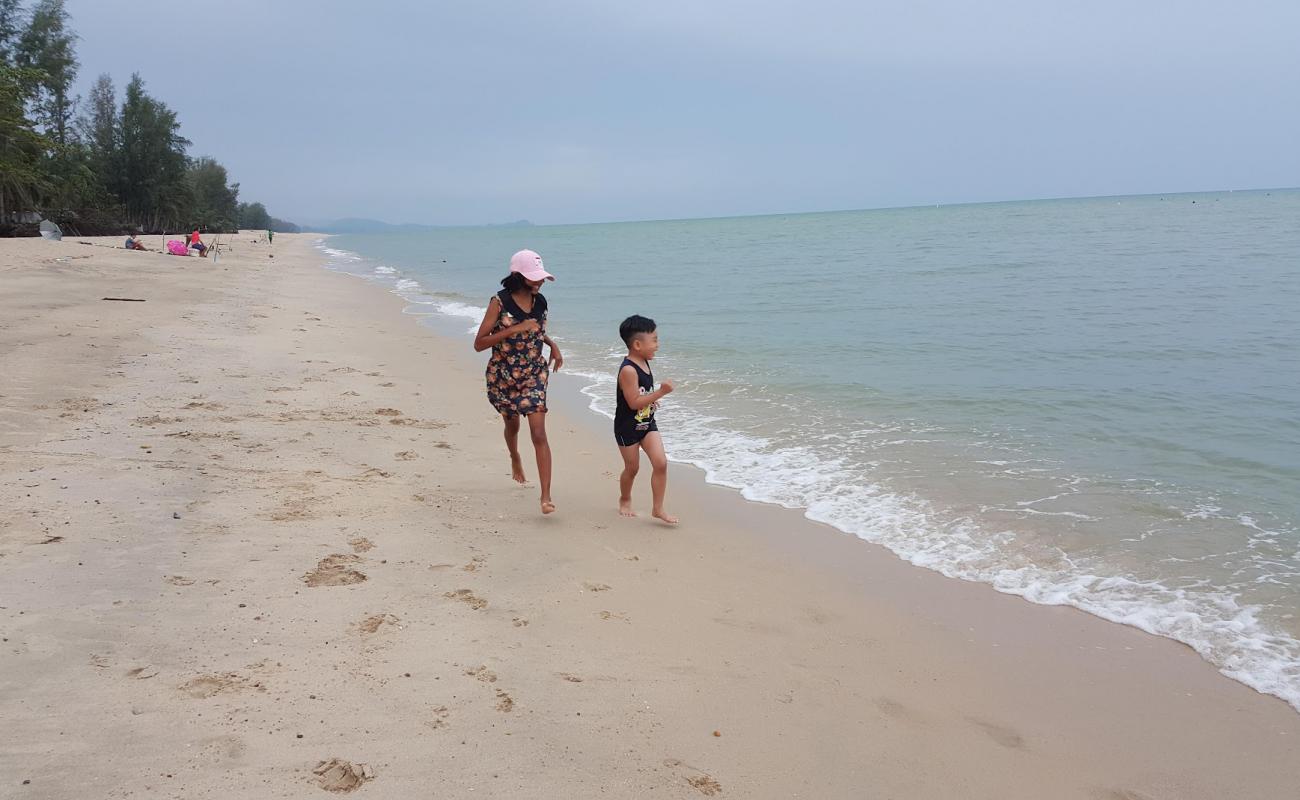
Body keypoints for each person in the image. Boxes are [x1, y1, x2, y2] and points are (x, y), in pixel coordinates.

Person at [473, 249, 563, 515]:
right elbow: (479, 343)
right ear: (517, 275)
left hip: (534, 373)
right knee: (512, 427)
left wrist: (553, 345)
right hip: (504, 375)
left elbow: (537, 331)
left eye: (541, 277)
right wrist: (513, 329)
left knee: (538, 432)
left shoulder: (541, 301)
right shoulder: (498, 303)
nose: (539, 282)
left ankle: (545, 497)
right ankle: (515, 457)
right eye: (533, 278)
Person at [613, 314, 677, 524]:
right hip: (627, 427)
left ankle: (657, 509)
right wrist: (660, 392)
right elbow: (632, 402)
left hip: (647, 423)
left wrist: (651, 400)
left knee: (661, 463)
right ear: (638, 344)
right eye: (655, 340)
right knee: (632, 468)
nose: (657, 345)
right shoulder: (629, 370)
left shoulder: (644, 362)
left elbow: (641, 394)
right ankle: (625, 498)